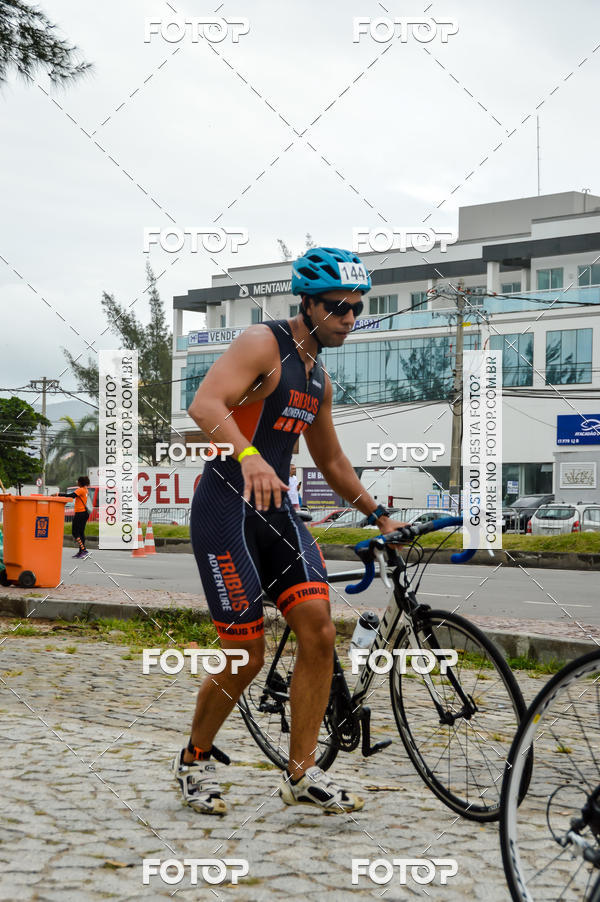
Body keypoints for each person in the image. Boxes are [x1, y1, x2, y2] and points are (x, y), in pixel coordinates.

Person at [175, 246, 407, 815]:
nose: (349, 319)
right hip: (225, 504)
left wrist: (379, 514)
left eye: (358, 308)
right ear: (306, 302)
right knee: (244, 653)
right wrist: (250, 455)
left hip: (276, 510)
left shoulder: (318, 377)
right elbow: (206, 404)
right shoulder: (263, 343)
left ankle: (301, 775)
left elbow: (331, 462)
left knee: (320, 631)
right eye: (338, 307)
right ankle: (194, 759)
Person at [55, 476, 91, 559]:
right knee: (81, 532)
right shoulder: (86, 490)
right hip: (85, 513)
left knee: (75, 532)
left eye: (77, 481)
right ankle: (81, 551)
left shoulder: (80, 490)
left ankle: (84, 550)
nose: (77, 482)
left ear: (80, 482)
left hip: (80, 513)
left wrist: (58, 494)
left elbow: (71, 496)